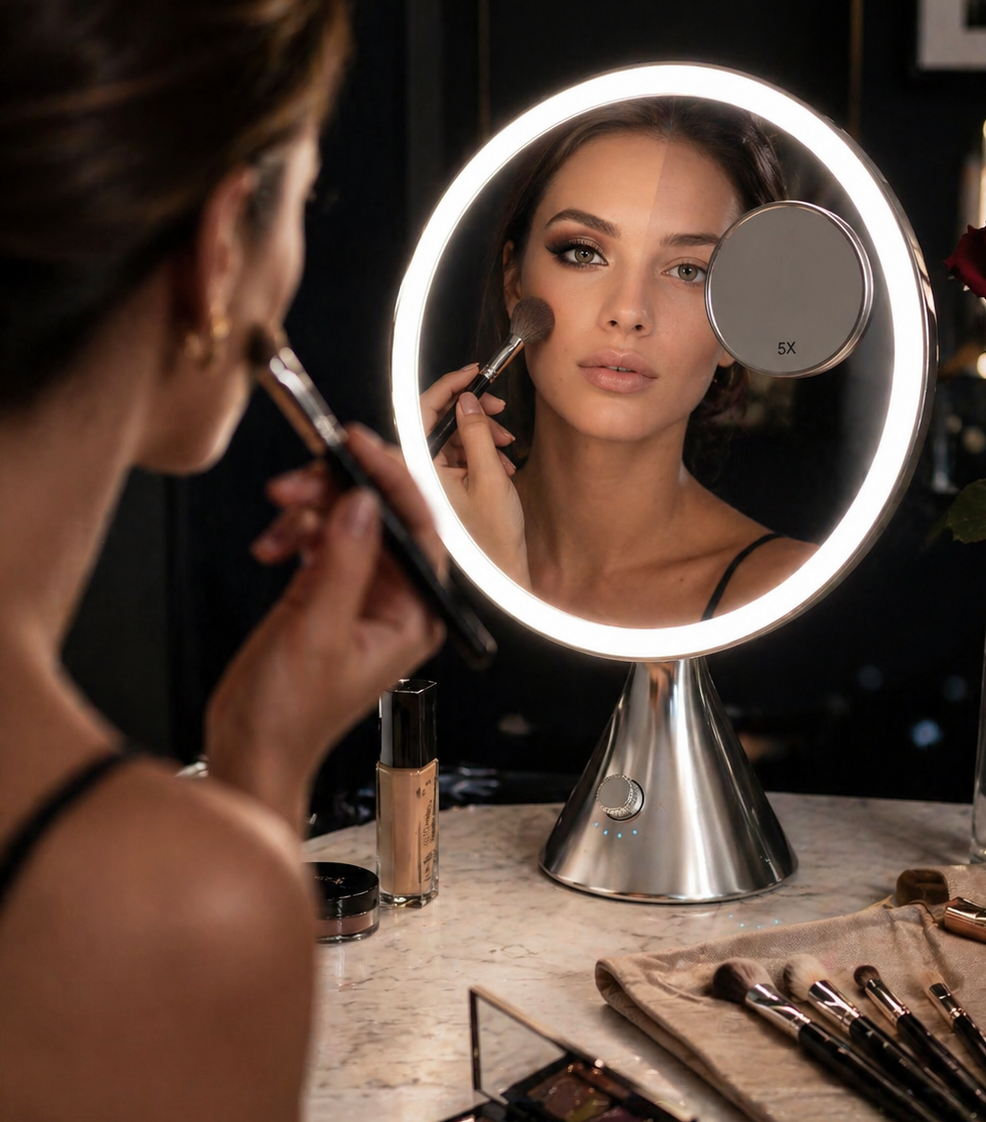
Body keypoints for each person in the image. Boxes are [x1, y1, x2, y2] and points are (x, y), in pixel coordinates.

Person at [0, 3, 443, 1118]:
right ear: (217, 250)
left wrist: (258, 758)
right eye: (305, 202)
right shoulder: (172, 914)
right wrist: (234, 844)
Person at [423, 100, 817, 627]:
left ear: (737, 327)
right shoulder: (417, 553)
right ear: (515, 284)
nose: (629, 312)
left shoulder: (793, 594)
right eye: (584, 252)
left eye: (687, 270)